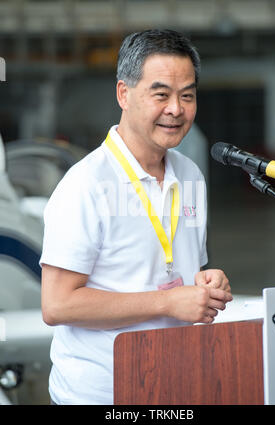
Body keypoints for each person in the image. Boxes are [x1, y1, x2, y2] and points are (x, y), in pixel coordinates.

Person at [40, 29, 232, 405]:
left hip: (178, 383)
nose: (176, 109)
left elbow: (170, 268)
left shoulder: (190, 173)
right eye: (161, 94)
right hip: (103, 395)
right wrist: (166, 302)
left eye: (187, 96)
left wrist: (207, 282)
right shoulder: (86, 184)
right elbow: (57, 305)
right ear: (123, 94)